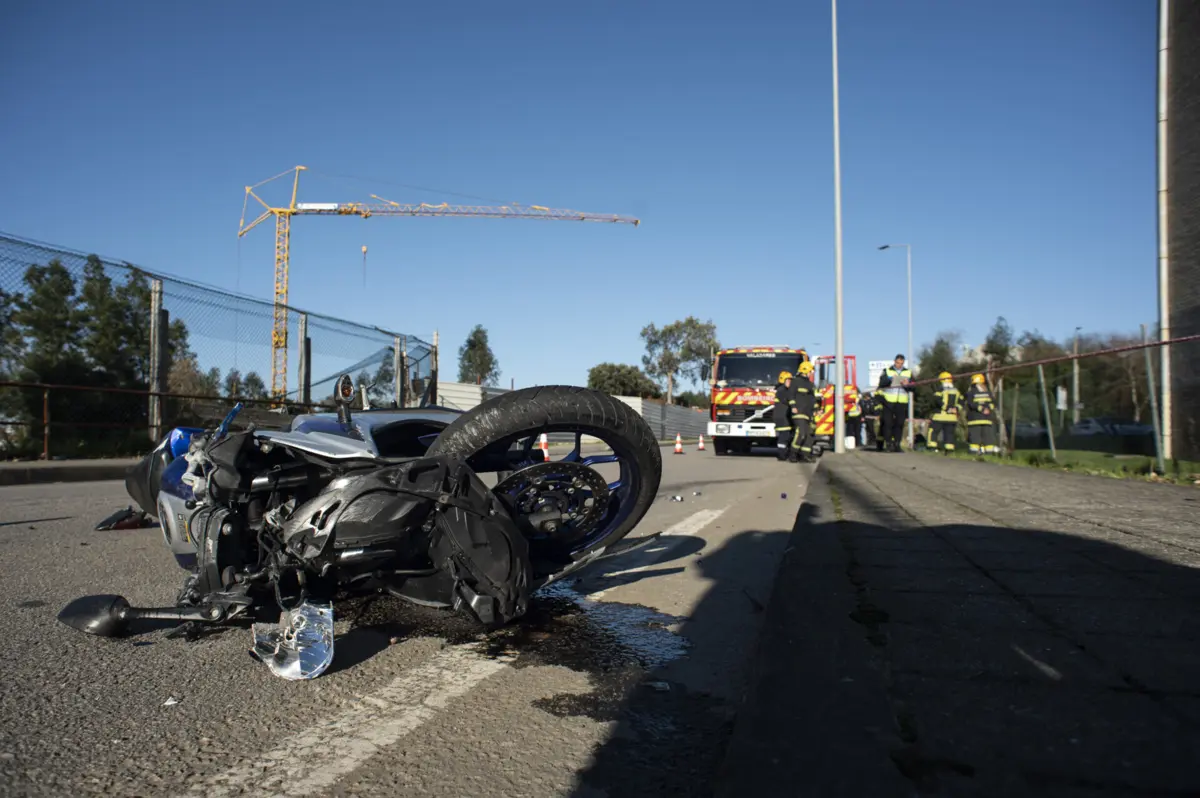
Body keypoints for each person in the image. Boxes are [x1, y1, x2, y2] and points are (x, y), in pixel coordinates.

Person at [876, 354, 914, 452]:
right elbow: (881, 384)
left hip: (901, 402)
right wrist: (889, 380)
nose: (899, 365)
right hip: (888, 401)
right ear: (894, 361)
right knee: (888, 423)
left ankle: (897, 444)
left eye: (901, 363)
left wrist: (907, 384)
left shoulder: (908, 372)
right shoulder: (887, 371)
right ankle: (888, 444)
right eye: (897, 363)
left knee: (899, 423)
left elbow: (914, 387)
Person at [790, 360, 817, 462]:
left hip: (808, 413)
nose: (811, 373)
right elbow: (791, 395)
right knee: (801, 434)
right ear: (805, 370)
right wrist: (793, 406)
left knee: (809, 435)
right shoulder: (795, 381)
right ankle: (793, 454)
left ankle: (805, 455)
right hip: (799, 412)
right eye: (810, 371)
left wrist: (815, 409)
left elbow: (812, 398)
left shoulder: (810, 384)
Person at [965, 373, 998, 455]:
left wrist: (981, 409)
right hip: (987, 419)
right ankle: (989, 454)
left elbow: (970, 404)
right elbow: (993, 403)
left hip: (975, 419)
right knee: (988, 438)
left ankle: (974, 452)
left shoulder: (971, 392)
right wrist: (988, 409)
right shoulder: (988, 393)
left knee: (975, 437)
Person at [929, 371, 961, 454]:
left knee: (934, 432)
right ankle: (949, 449)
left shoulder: (940, 389)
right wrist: (956, 409)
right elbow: (961, 402)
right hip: (952, 418)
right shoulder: (957, 390)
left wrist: (947, 409)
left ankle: (932, 447)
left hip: (940, 416)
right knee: (949, 433)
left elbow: (937, 400)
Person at [771, 370, 794, 461]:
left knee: (786, 436)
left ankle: (784, 453)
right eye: (788, 380)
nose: (790, 382)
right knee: (784, 437)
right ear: (783, 381)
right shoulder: (782, 390)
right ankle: (782, 455)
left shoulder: (782, 389)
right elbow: (789, 401)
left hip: (783, 417)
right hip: (782, 417)